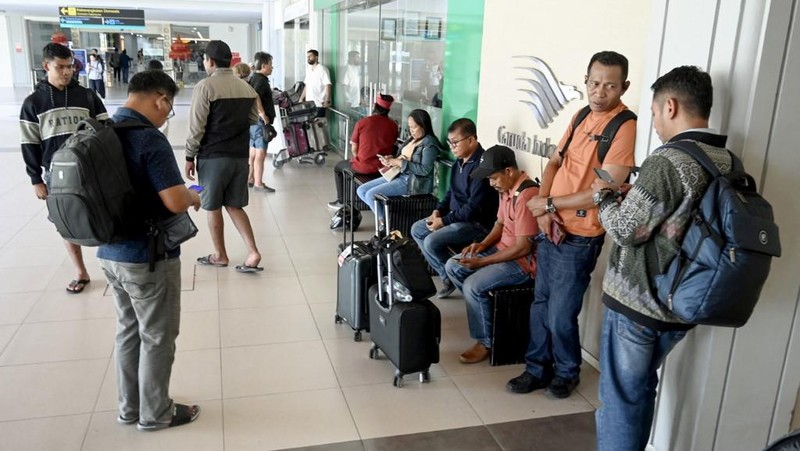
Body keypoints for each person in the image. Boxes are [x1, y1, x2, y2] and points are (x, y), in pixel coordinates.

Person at [592, 66, 730, 451]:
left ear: (669, 106)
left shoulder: (668, 161)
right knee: (639, 392)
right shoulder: (725, 160)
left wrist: (604, 194)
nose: (653, 122)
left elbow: (625, 229)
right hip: (682, 301)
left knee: (621, 402)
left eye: (652, 113)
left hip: (639, 303)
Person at [507, 50, 636, 399]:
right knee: (540, 303)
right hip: (551, 228)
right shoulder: (580, 116)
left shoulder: (623, 126)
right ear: (585, 81)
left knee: (561, 313)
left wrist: (549, 204)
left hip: (579, 237)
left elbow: (603, 191)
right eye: (594, 83)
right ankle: (536, 369)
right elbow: (553, 164)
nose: (600, 92)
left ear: (624, 87)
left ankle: (566, 372)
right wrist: (545, 212)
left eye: (610, 86)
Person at [100, 69, 202, 432]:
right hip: (147, 255)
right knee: (157, 334)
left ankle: (129, 408)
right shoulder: (149, 140)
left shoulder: (104, 131)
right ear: (161, 99)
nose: (165, 115)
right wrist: (192, 195)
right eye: (168, 108)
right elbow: (174, 200)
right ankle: (156, 412)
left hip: (110, 253)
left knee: (128, 329)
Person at [19, 43, 109, 294]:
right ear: (46, 66)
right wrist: (35, 178)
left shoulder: (88, 96)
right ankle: (81, 271)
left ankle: (113, 264)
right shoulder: (33, 103)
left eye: (70, 66)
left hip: (91, 168)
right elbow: (29, 143)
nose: (67, 72)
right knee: (66, 220)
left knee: (105, 211)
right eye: (60, 67)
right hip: (56, 174)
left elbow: (106, 129)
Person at [444, 145, 540, 364]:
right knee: (454, 265)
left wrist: (483, 262)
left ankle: (486, 341)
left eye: (494, 178)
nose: (491, 183)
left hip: (521, 264)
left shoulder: (526, 195)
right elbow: (499, 223)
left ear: (509, 171)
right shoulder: (505, 190)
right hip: (502, 250)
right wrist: (481, 245)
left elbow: (523, 247)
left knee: (473, 286)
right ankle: (483, 313)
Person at [185, 40, 264, 273]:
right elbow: (252, 119)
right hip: (239, 157)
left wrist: (190, 156)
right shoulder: (246, 88)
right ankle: (253, 251)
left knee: (212, 207)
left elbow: (196, 126)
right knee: (235, 205)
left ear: (209, 61)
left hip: (212, 157)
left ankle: (219, 255)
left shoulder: (205, 87)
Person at [411, 118, 497, 298]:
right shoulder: (459, 162)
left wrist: (443, 221)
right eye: (450, 143)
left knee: (431, 241)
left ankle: (453, 276)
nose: (452, 147)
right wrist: (438, 211)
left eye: (455, 142)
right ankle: (447, 276)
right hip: (456, 218)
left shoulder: (482, 166)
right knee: (417, 229)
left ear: (471, 140)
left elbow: (473, 208)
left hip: (476, 225)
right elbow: (451, 192)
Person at [355, 109, 440, 228]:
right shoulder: (413, 139)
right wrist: (392, 159)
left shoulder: (430, 144)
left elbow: (425, 170)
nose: (411, 131)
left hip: (411, 182)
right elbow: (405, 156)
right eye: (410, 127)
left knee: (370, 195)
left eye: (414, 127)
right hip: (398, 175)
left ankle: (384, 224)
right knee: (361, 191)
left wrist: (400, 162)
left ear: (424, 125)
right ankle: (387, 221)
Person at [327, 93, 398, 210]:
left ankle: (341, 201)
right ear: (388, 110)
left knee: (338, 167)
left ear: (375, 106)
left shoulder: (363, 123)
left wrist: (359, 158)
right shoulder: (393, 125)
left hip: (364, 166)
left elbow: (354, 149)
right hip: (384, 168)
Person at [247, 52, 277, 193]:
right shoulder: (260, 80)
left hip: (253, 122)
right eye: (270, 65)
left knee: (253, 152)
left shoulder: (255, 77)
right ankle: (258, 183)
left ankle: (251, 179)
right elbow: (255, 95)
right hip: (259, 123)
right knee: (260, 153)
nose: (272, 67)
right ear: (264, 66)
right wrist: (263, 114)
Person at [299, 49, 332, 118]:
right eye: (307, 56)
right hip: (308, 104)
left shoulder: (323, 69)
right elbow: (307, 85)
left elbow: (328, 85)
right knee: (309, 127)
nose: (308, 58)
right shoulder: (309, 69)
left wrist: (327, 100)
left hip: (319, 104)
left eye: (310, 56)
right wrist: (301, 98)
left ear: (316, 57)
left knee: (318, 127)